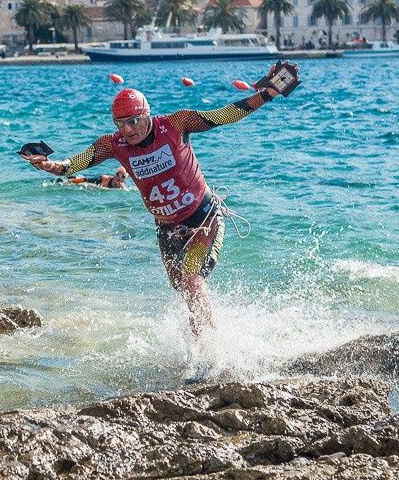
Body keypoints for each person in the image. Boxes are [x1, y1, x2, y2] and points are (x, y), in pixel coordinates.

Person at [24, 66, 297, 337]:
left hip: (203, 218)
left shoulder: (176, 124)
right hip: (166, 228)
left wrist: (267, 94)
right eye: (120, 123)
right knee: (181, 288)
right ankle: (199, 346)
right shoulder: (114, 144)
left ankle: (211, 355)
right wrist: (48, 164)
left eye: (133, 121)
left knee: (192, 282)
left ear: (146, 115)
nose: (127, 130)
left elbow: (223, 115)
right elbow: (72, 164)